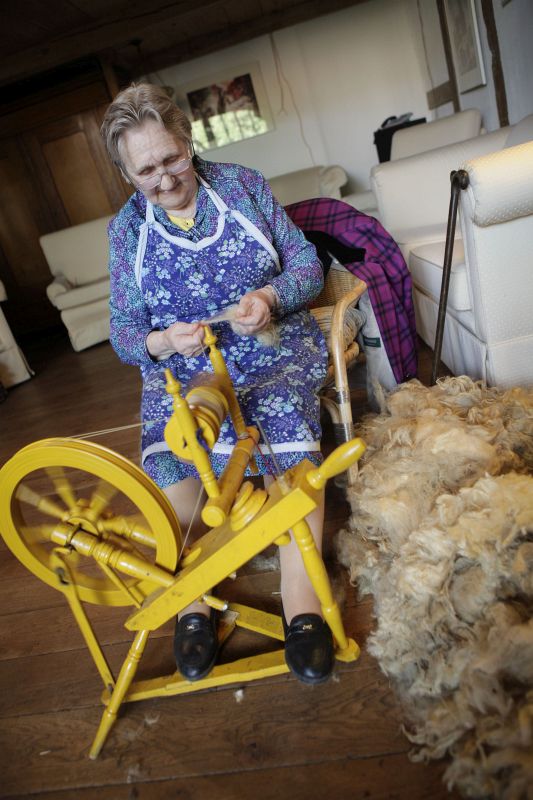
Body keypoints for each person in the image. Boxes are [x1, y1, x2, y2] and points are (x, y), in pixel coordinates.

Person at [101, 83, 333, 685]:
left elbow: (307, 266)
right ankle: (194, 602)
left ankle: (303, 605)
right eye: (145, 171)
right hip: (185, 367)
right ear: (126, 174)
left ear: (189, 141)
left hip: (268, 347)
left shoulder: (243, 186)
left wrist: (269, 296)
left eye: (172, 159)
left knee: (285, 433)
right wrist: (161, 341)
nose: (164, 179)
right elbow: (125, 334)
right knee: (174, 456)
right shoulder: (126, 232)